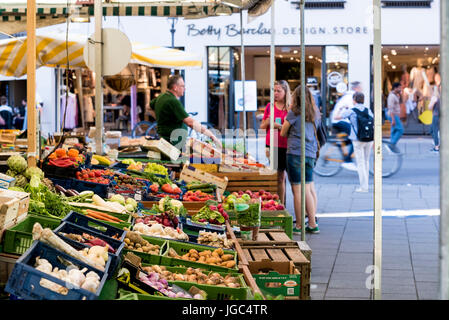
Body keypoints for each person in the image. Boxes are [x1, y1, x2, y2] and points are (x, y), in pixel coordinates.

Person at [280, 85, 320, 235]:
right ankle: (312, 223)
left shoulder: (294, 113)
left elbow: (284, 132)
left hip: (296, 153)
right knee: (308, 188)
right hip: (310, 153)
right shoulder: (315, 113)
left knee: (297, 190)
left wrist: (282, 123)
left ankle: (299, 226)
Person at [149, 74, 221, 151]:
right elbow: (190, 122)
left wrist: (159, 117)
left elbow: (149, 106)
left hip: (165, 142)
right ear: (175, 87)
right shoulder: (173, 101)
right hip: (173, 145)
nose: (185, 88)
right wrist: (211, 135)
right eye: (182, 86)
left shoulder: (161, 97)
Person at [260, 80, 291, 205]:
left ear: (285, 91)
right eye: (274, 91)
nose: (276, 93)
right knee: (279, 177)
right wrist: (268, 122)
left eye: (279, 91)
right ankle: (281, 204)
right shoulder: (269, 106)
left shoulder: (290, 107)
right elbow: (262, 126)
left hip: (287, 145)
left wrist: (279, 126)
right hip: (272, 144)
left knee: (292, 178)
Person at [337, 92, 374, 193]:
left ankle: (364, 187)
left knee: (360, 163)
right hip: (369, 139)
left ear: (354, 100)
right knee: (366, 161)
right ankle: (366, 184)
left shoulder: (351, 111)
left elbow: (337, 117)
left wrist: (341, 108)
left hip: (357, 140)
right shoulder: (368, 110)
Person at [331, 81, 364, 171]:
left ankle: (341, 145)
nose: (361, 89)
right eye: (360, 88)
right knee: (357, 137)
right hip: (339, 120)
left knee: (352, 137)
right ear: (356, 88)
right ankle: (347, 160)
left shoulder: (350, 96)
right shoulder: (351, 97)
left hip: (339, 120)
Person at [386, 82, 404, 152]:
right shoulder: (392, 96)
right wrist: (393, 119)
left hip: (395, 115)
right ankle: (391, 144)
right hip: (393, 115)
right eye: (399, 87)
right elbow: (391, 108)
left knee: (394, 130)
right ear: (395, 88)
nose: (400, 89)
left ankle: (391, 145)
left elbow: (401, 102)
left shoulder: (396, 95)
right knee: (400, 130)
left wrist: (400, 94)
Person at [428, 85, 441, 152]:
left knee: (434, 131)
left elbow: (429, 107)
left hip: (435, 116)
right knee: (432, 130)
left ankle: (436, 146)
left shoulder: (434, 98)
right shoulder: (440, 97)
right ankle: (438, 144)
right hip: (439, 116)